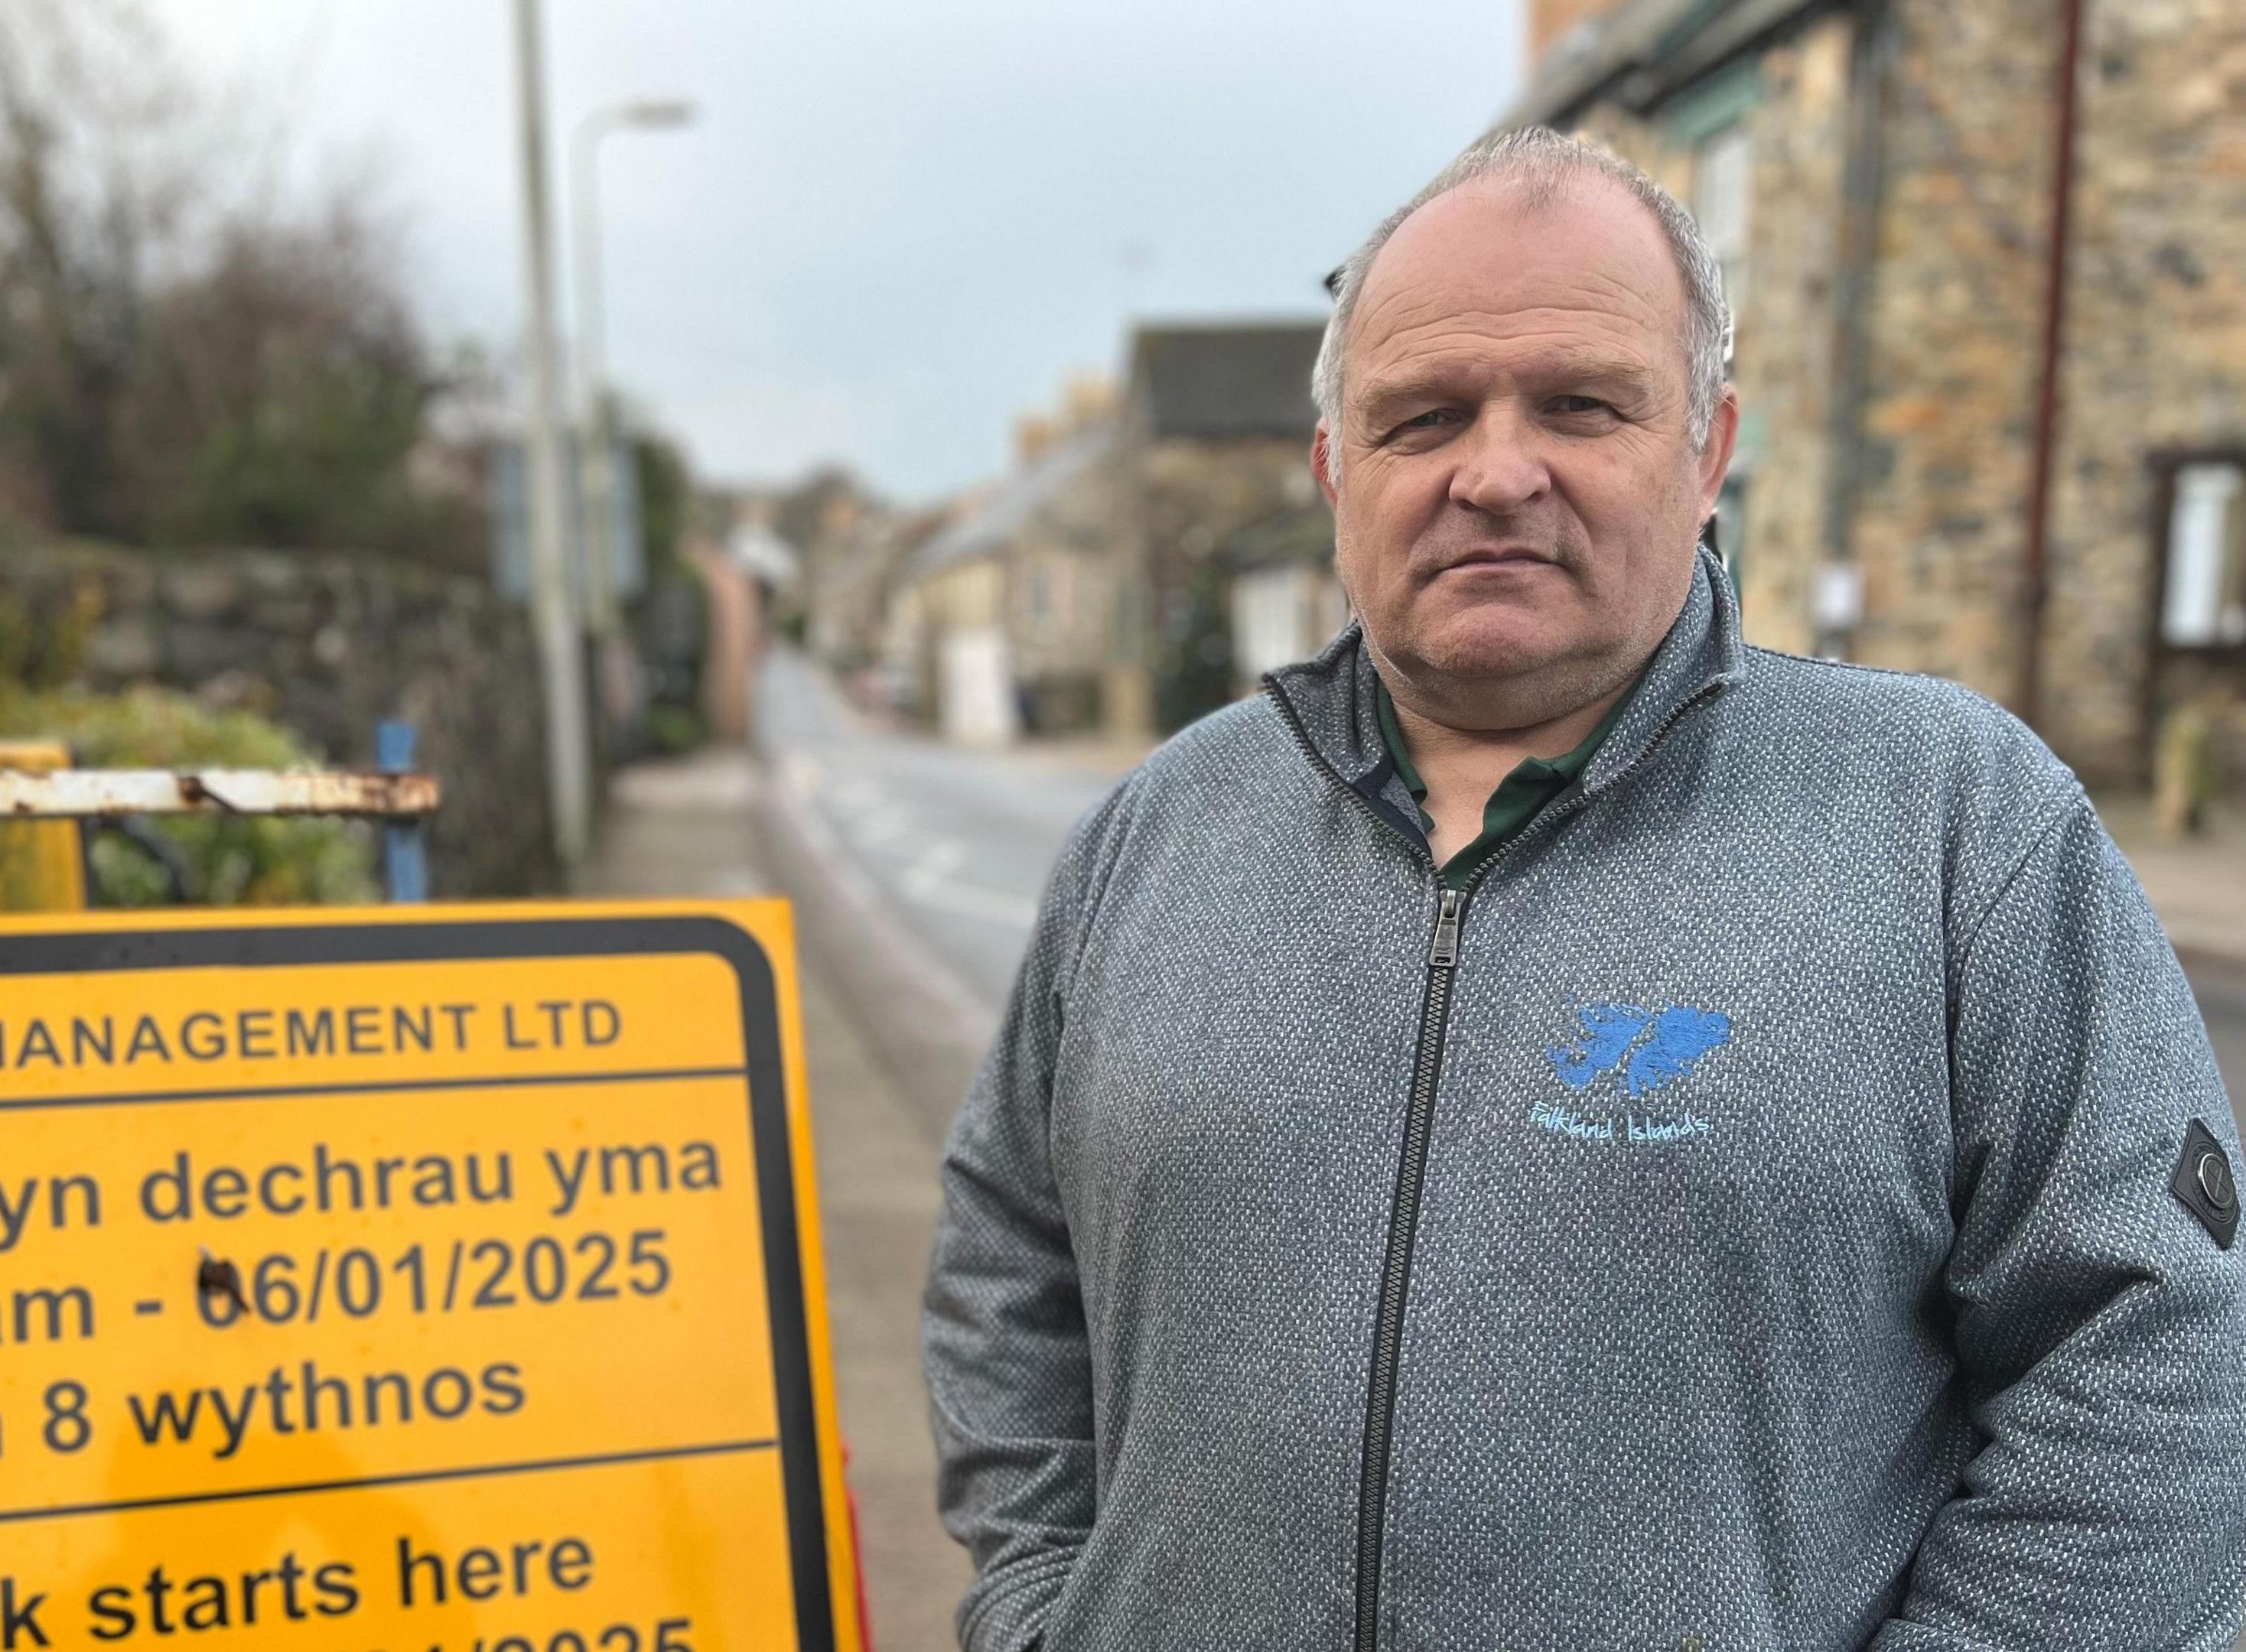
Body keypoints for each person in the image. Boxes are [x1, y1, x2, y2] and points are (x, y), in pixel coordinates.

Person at [922, 126, 2246, 1649]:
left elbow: (2150, 1363)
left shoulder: (1955, 827)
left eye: (1580, 405)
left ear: (1708, 446)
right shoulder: (1153, 837)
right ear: (1335, 468)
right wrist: (1041, 1613)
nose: (1496, 471)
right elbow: (1005, 1267)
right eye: (1422, 418)